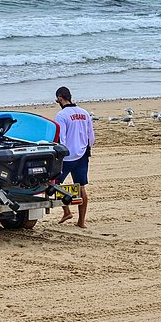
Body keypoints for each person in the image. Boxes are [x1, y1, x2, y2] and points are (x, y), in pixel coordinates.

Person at [54, 86, 95, 228]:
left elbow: (61, 138)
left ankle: (66, 211)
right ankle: (81, 222)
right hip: (82, 155)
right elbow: (91, 137)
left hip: (67, 156)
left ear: (60, 98)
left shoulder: (62, 115)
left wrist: (59, 154)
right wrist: (87, 149)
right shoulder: (84, 113)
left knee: (53, 184)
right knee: (81, 186)